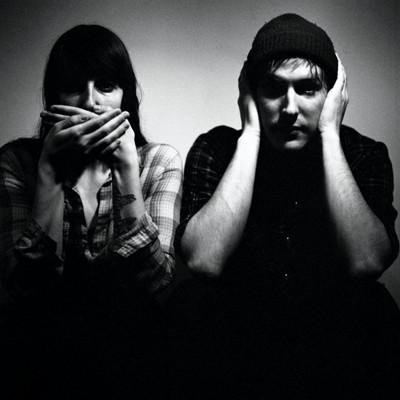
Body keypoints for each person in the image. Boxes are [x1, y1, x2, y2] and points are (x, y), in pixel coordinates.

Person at [168, 13, 400, 398]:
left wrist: (330, 135)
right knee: (191, 303)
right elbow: (204, 261)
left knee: (375, 308)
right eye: (273, 88)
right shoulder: (216, 148)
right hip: (235, 345)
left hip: (334, 347)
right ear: (251, 93)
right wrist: (251, 134)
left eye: (307, 89)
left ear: (332, 96)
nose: (289, 108)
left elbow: (367, 262)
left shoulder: (363, 154)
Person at [0, 25, 182, 399]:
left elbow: (156, 285)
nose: (90, 102)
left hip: (134, 363)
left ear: (125, 97)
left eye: (106, 86)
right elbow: (21, 289)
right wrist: (49, 172)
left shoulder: (158, 162)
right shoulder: (16, 162)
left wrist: (127, 170)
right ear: (53, 97)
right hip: (39, 361)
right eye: (73, 86)